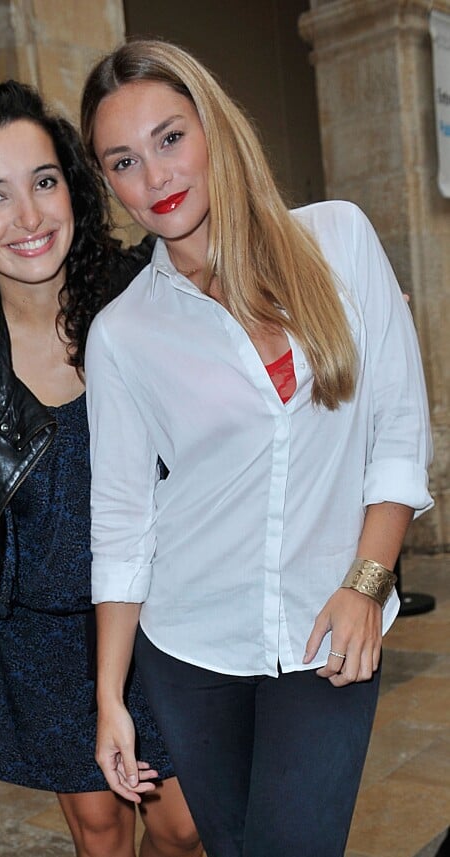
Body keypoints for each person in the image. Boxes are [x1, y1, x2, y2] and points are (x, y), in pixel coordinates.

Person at [80, 39, 433, 857]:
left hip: (331, 628)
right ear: (109, 183)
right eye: (124, 161)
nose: (157, 177)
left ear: (213, 128)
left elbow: (398, 430)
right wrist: (110, 698)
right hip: (191, 646)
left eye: (171, 138)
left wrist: (365, 581)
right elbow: (124, 523)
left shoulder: (337, 242)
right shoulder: (123, 333)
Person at [0, 80, 202, 857]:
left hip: (153, 612)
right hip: (34, 629)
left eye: (43, 182)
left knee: (183, 822)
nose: (29, 217)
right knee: (101, 828)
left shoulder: (142, 294)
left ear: (73, 184)